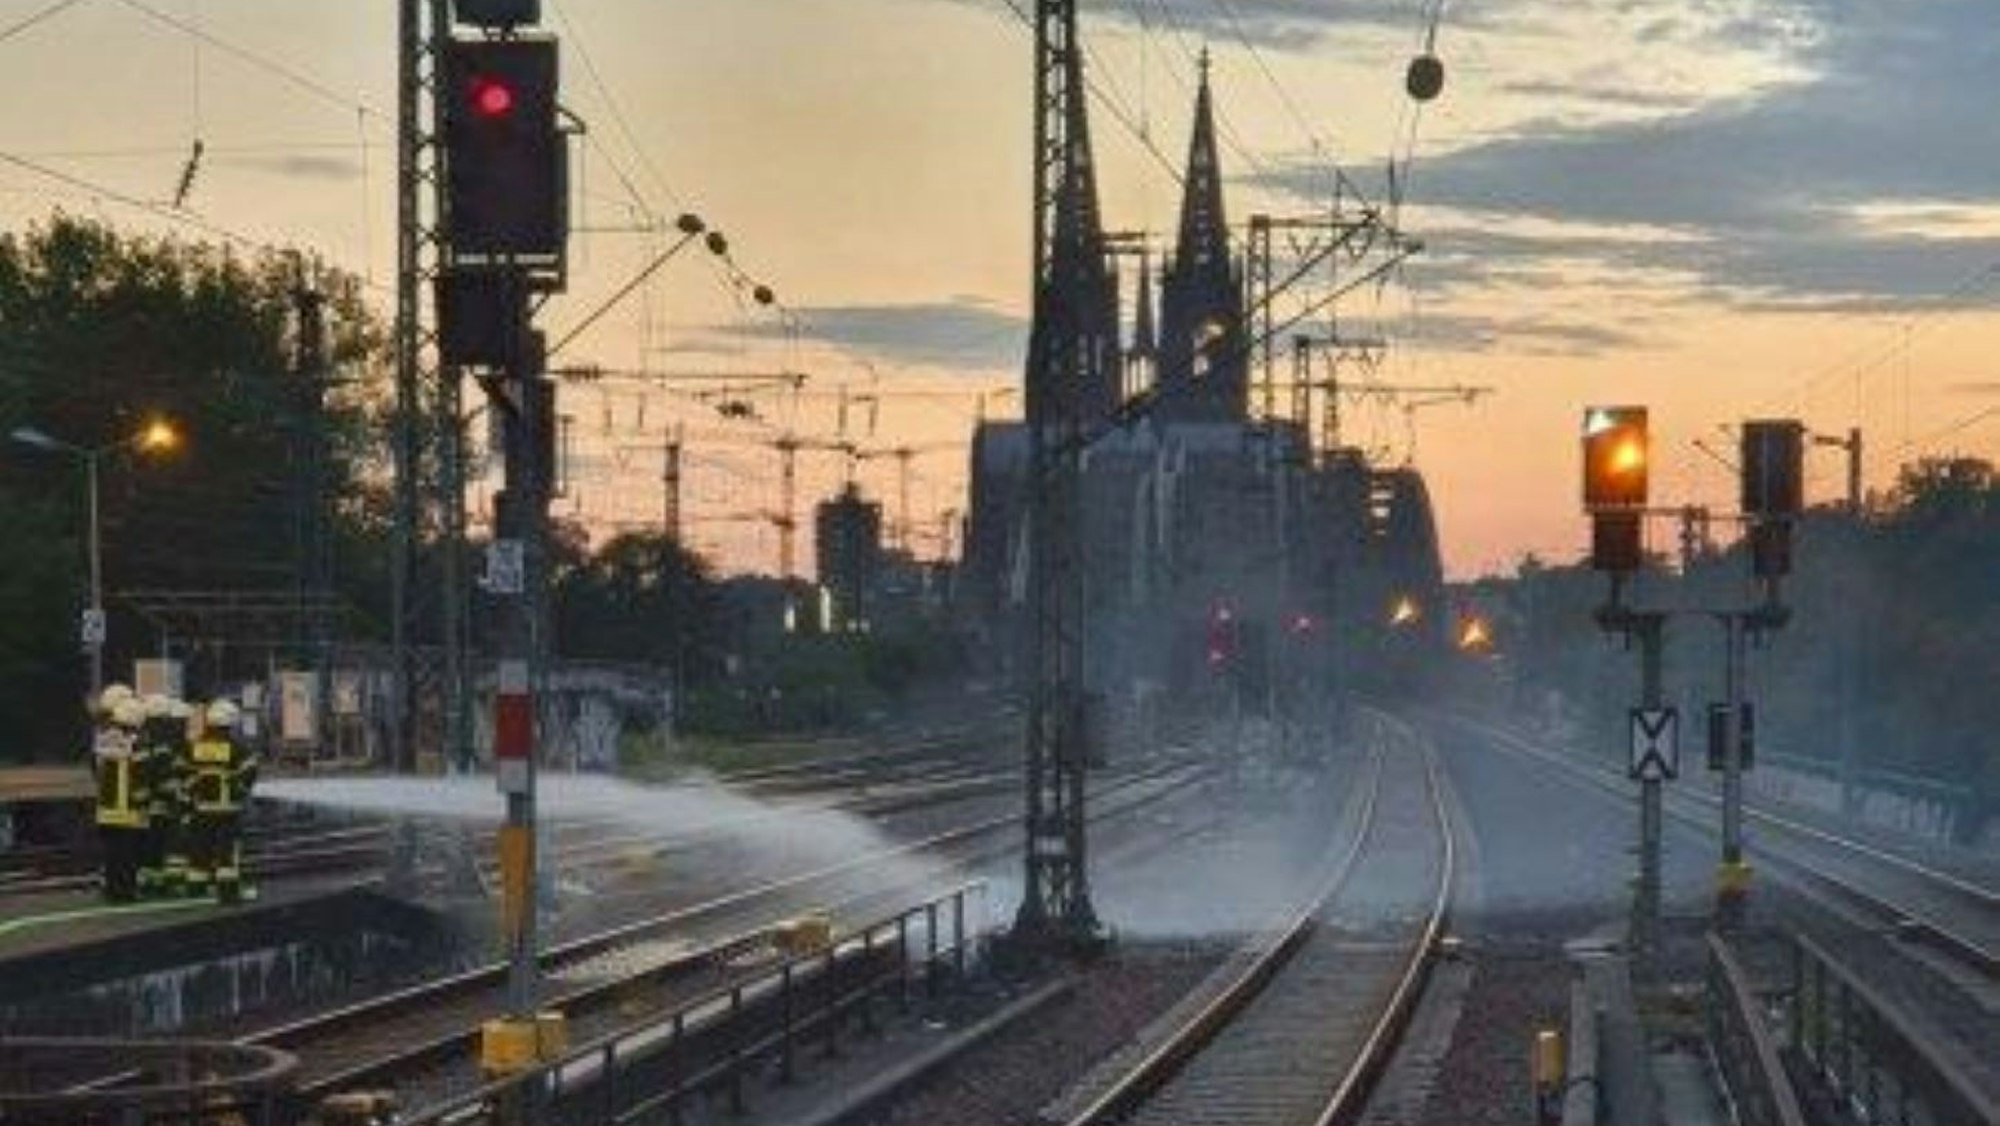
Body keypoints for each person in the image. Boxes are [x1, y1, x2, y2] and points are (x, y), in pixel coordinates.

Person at [189, 700, 259, 904]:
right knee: (227, 852)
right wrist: (242, 790)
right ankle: (228, 893)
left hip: (202, 806)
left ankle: (196, 889)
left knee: (200, 848)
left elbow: (189, 773)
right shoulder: (235, 747)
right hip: (227, 807)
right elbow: (250, 770)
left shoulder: (198, 744)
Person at [90, 690, 149, 901]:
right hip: (129, 809)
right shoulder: (136, 742)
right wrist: (144, 802)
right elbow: (141, 775)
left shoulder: (103, 739)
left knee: (111, 854)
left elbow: (95, 770)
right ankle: (127, 892)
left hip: (106, 809)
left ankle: (112, 892)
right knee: (128, 855)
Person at [140, 695, 193, 897]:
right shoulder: (165, 745)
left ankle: (153, 885)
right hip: (166, 806)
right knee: (171, 847)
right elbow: (165, 777)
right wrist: (180, 794)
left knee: (153, 849)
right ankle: (169, 884)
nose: (182, 726)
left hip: (153, 806)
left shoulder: (152, 741)